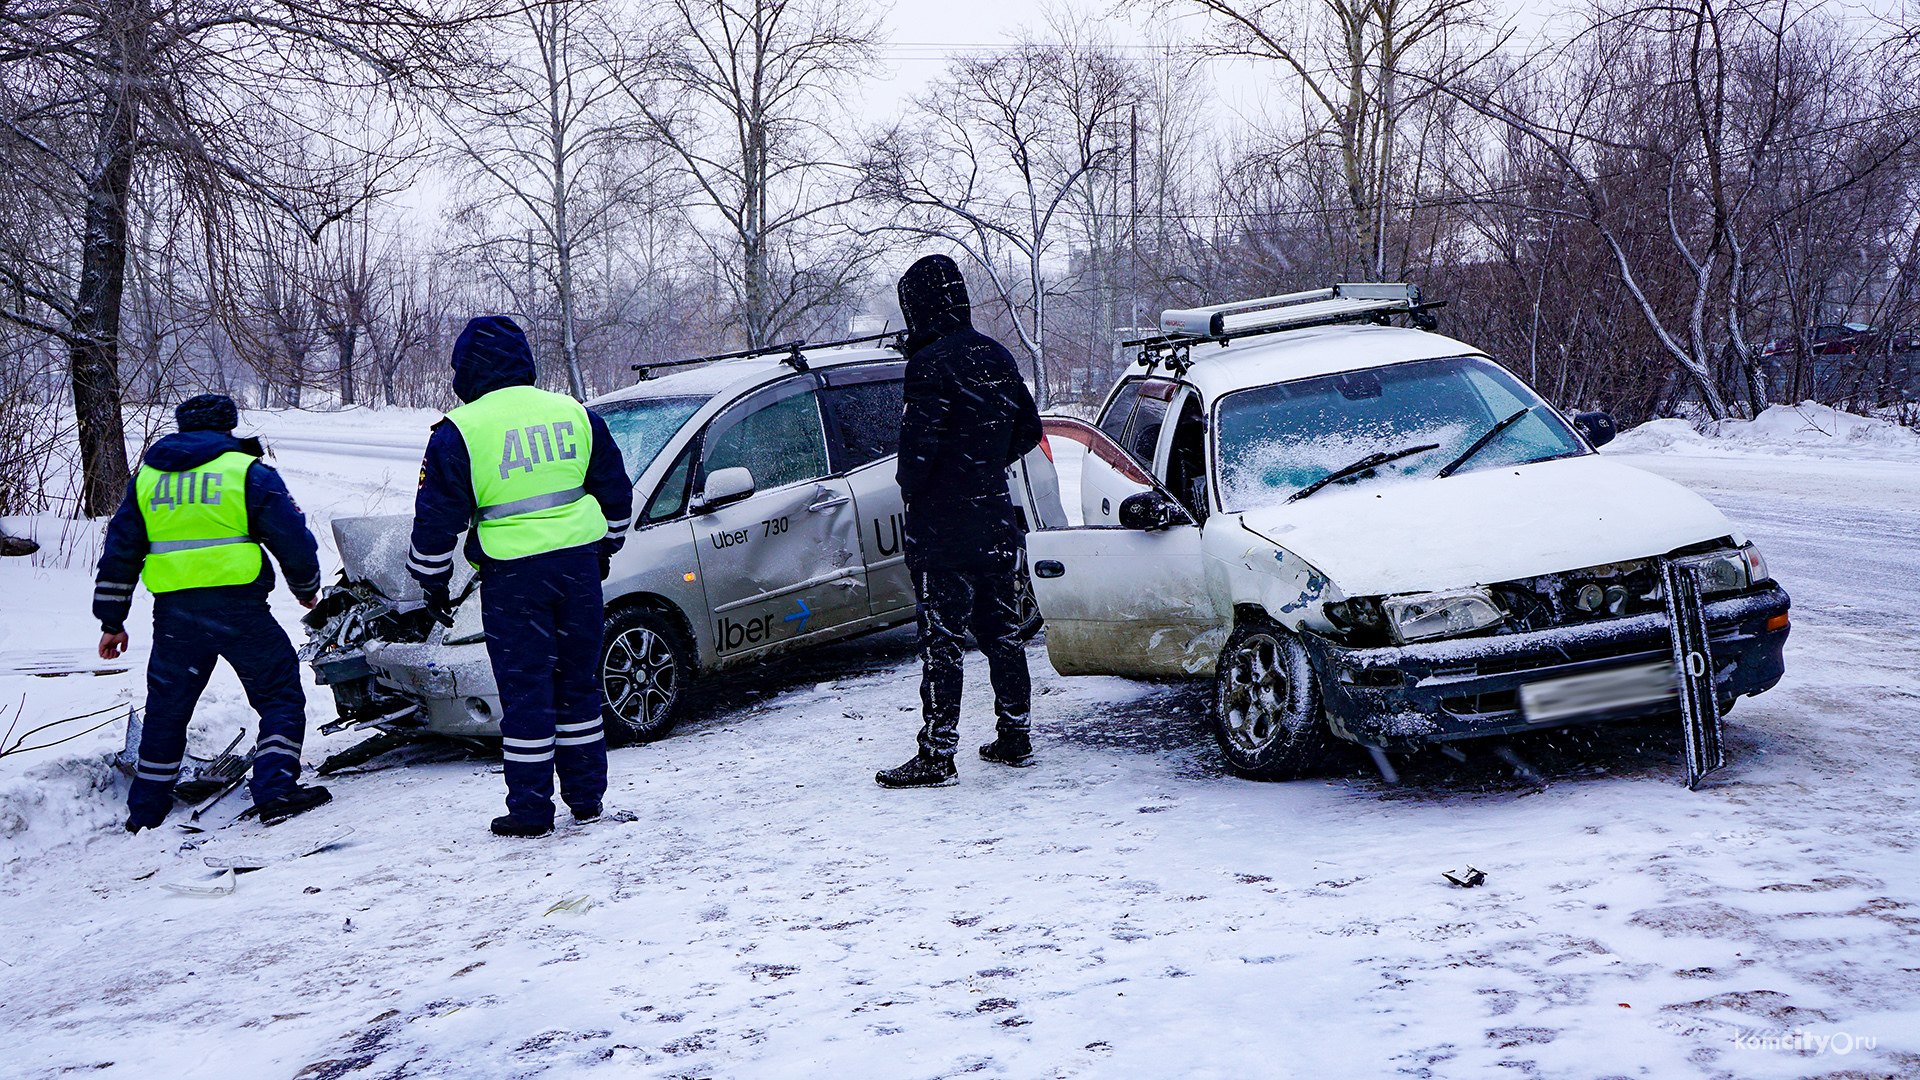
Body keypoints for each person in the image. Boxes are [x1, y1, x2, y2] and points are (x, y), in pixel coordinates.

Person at [408, 316, 631, 837]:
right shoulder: (574, 413)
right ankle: (587, 799)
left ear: (465, 371)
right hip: (577, 571)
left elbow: (436, 522)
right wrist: (605, 549)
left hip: (514, 581)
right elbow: (615, 493)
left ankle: (531, 811)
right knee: (577, 685)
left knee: (527, 692)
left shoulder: (460, 431)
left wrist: (432, 585)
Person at [95, 394, 330, 830]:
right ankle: (276, 789)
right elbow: (292, 536)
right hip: (241, 611)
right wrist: (305, 589)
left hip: (174, 617)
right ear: (228, 428)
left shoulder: (148, 480)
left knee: (167, 710)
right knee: (279, 696)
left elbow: (120, 551)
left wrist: (112, 620)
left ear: (182, 429)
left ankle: (146, 813)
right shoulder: (246, 472)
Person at [877, 254, 1044, 789]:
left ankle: (936, 754)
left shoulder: (927, 364)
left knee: (942, 641)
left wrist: (925, 488)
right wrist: (984, 464)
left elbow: (915, 457)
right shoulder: (996, 355)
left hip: (943, 529)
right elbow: (1028, 429)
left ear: (918, 305)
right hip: (993, 518)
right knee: (1003, 633)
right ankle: (1015, 735)